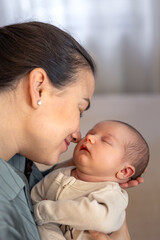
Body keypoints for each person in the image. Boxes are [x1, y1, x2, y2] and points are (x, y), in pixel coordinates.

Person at [0, 21, 142, 240]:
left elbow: (31, 194)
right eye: (80, 108)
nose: (78, 135)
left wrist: (78, 172)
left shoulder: (16, 158)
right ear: (38, 88)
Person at [31, 120, 149, 240]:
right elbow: (35, 196)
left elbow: (102, 219)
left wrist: (47, 211)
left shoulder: (112, 194)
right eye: (90, 133)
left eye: (106, 141)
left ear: (124, 171)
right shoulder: (60, 174)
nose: (89, 137)